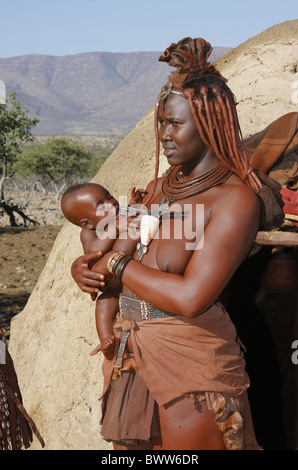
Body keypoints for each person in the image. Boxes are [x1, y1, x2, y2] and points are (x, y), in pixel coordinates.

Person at [70, 38, 284, 450]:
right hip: (130, 355)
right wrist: (87, 272)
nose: (164, 135)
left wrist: (116, 264)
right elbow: (117, 269)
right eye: (161, 122)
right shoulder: (154, 190)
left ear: (208, 125)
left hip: (191, 361)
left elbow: (190, 297)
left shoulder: (233, 201)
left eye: (175, 124)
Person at [61, 182, 146, 359]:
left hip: (131, 280)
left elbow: (132, 215)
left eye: (109, 196)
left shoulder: (120, 216)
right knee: (104, 303)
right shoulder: (88, 234)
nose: (112, 204)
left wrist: (135, 203)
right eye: (102, 205)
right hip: (112, 287)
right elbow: (94, 254)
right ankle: (107, 340)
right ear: (87, 223)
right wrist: (113, 228)